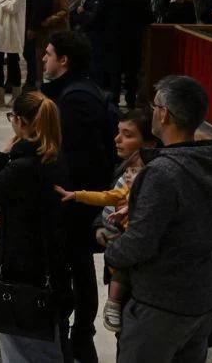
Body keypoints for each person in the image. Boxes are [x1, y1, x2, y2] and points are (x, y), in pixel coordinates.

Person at [105, 76, 212, 362]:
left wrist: (111, 249)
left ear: (164, 114)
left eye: (155, 105)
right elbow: (188, 215)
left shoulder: (162, 172)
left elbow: (139, 243)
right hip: (202, 293)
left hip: (162, 301)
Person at [0, 91, 72, 361]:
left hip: (21, 272)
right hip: (51, 266)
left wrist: (1, 153)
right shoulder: (55, 158)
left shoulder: (22, 166)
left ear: (21, 122)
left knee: (22, 350)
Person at [39, 30, 116, 362]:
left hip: (75, 200)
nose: (44, 58)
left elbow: (79, 154)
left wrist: (69, 194)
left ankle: (79, 334)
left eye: (49, 53)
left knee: (76, 267)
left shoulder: (76, 98)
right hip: (78, 197)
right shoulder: (74, 91)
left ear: (64, 60)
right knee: (75, 266)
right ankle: (74, 332)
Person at [56, 108, 157, 333]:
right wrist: (99, 226)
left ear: (149, 143)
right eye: (118, 132)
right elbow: (108, 197)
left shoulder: (153, 177)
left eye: (128, 135)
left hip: (137, 272)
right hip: (118, 252)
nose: (117, 139)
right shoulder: (123, 166)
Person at [93, 0, 153, 107]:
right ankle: (131, 100)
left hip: (111, 40)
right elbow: (149, 18)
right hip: (133, 40)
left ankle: (114, 100)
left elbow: (98, 17)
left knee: (114, 71)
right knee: (132, 71)